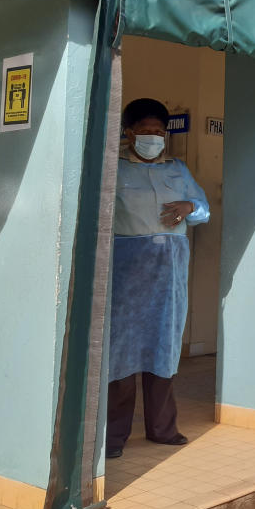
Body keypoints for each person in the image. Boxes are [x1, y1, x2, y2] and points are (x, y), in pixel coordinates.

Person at [106, 98, 210, 459]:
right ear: (129, 133)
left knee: (163, 350)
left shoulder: (177, 169)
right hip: (127, 276)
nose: (153, 137)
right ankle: (113, 437)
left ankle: (163, 430)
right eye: (146, 131)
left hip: (169, 276)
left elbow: (204, 209)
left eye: (158, 131)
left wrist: (189, 207)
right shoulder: (114, 168)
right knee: (121, 355)